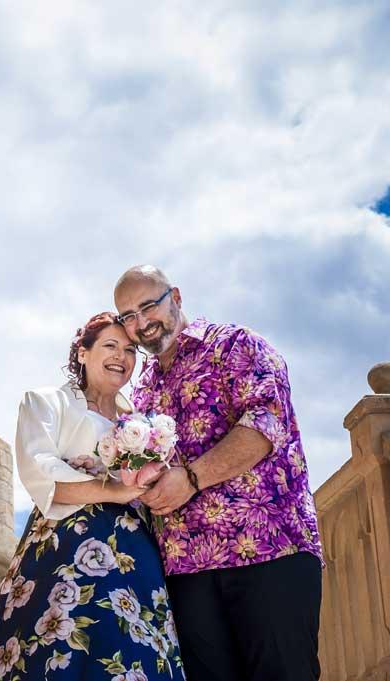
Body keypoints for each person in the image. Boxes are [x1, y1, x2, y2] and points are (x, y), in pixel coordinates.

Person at [113, 265, 324, 681]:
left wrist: (190, 479)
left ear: (175, 296)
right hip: (184, 569)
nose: (139, 324)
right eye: (128, 317)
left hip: (267, 549)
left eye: (147, 307)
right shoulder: (141, 391)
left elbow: (266, 423)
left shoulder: (236, 346)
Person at [0, 313, 186, 681]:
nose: (122, 356)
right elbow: (39, 468)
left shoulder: (141, 421)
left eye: (130, 350)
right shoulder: (45, 402)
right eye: (110, 346)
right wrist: (113, 489)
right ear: (83, 352)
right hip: (61, 547)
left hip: (132, 556)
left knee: (132, 652)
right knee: (56, 648)